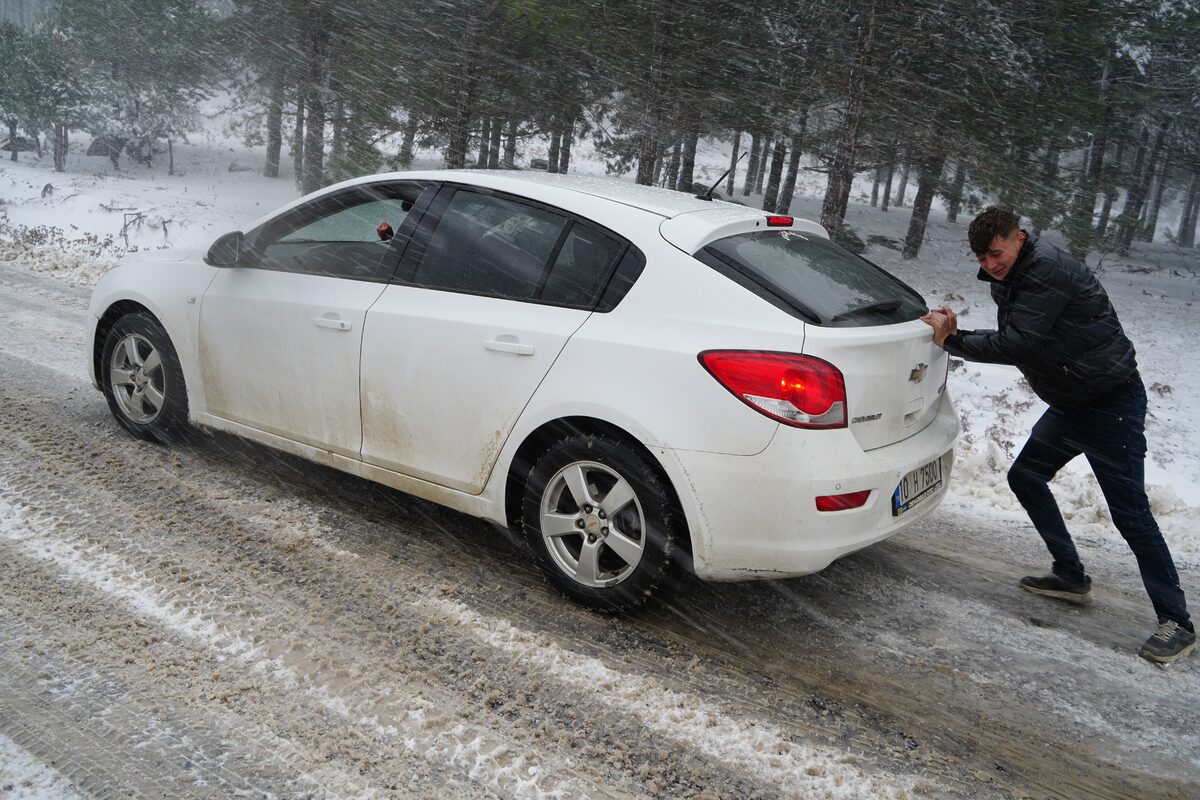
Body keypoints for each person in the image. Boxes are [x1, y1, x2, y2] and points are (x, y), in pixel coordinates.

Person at [921, 205, 1194, 664]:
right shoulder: (1019, 271)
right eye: (981, 257)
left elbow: (1019, 342)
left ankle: (1177, 623)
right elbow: (1030, 335)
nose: (989, 264)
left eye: (995, 253)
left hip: (1110, 406)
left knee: (1131, 515)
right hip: (1074, 403)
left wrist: (953, 340)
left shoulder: (1045, 269)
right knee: (1026, 477)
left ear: (1019, 237)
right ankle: (1070, 575)